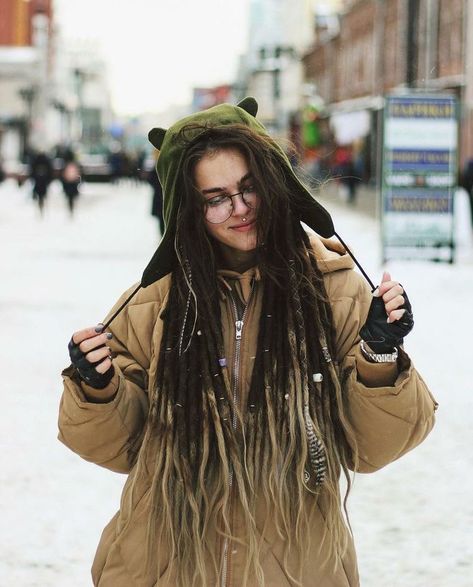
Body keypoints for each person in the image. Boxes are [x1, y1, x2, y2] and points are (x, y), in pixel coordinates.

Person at [58, 98, 437, 587]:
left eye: (249, 188)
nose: (238, 209)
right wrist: (98, 388)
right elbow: (119, 447)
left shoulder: (335, 287)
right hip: (165, 563)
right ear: (189, 211)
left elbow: (372, 448)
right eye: (215, 198)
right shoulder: (156, 300)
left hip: (296, 565)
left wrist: (379, 355)